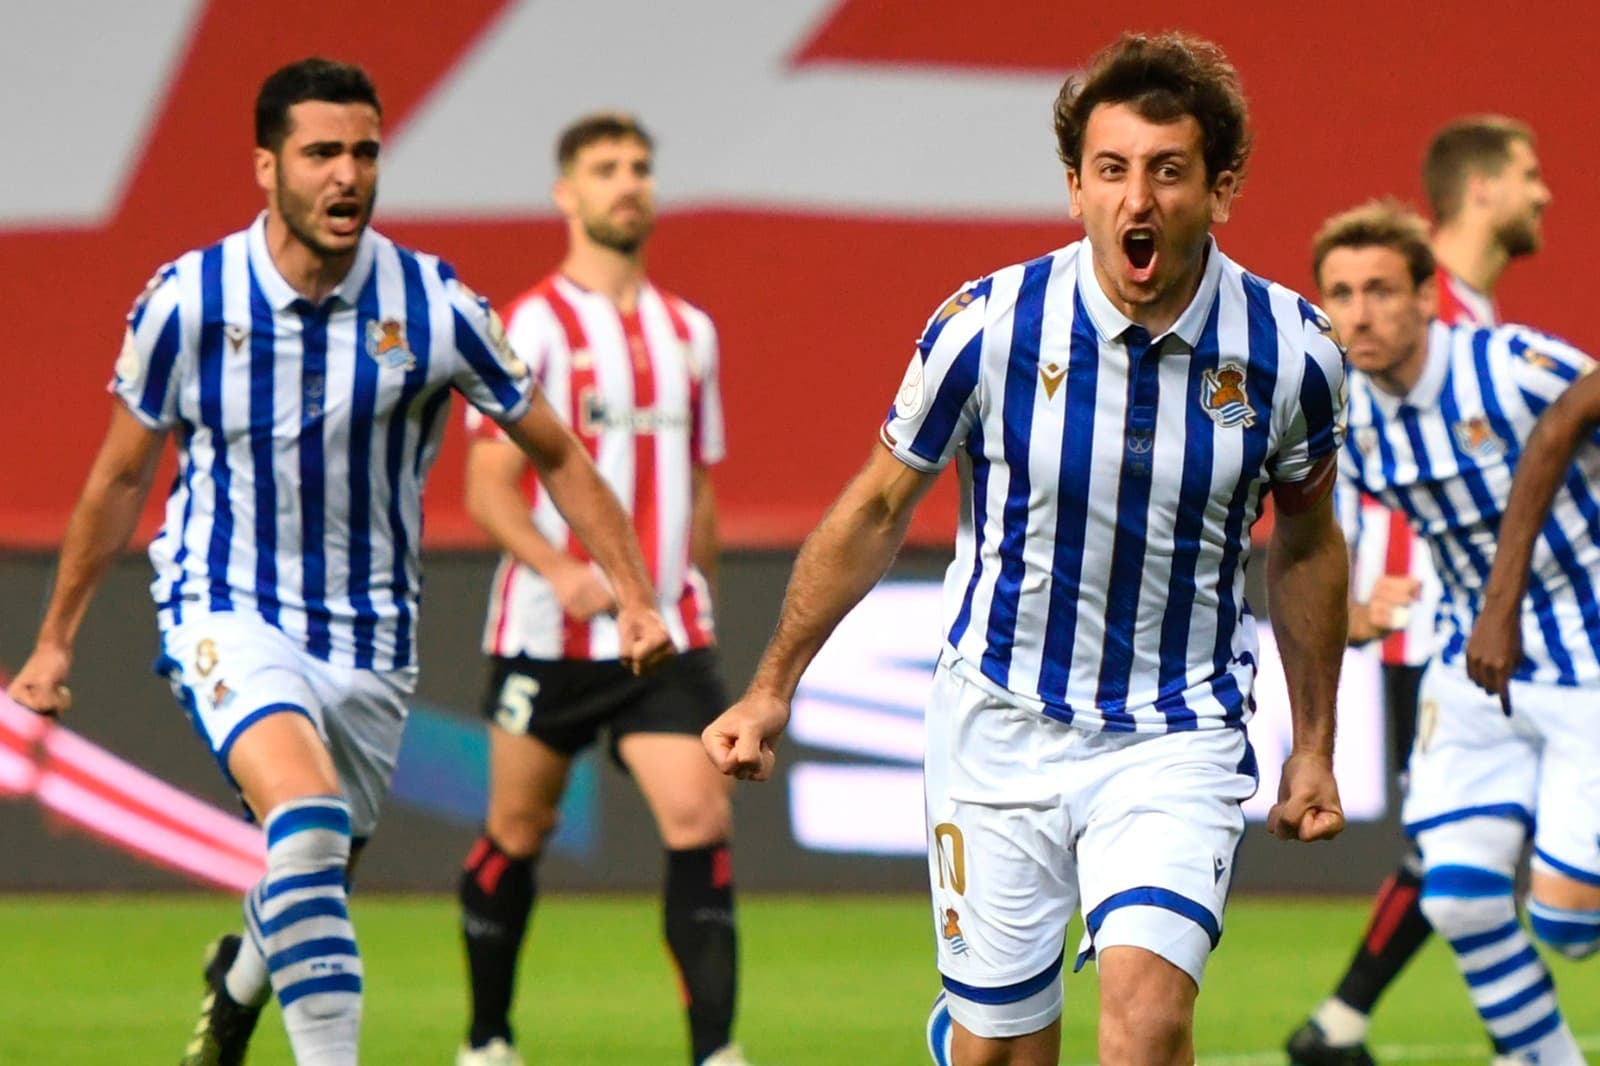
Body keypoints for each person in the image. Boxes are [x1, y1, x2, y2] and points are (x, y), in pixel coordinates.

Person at [3, 59, 673, 1066]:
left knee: (311, 864)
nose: (346, 175)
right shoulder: (190, 300)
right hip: (220, 600)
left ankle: (237, 987)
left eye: (363, 152)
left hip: (370, 633)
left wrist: (632, 593)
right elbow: (117, 480)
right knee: (306, 813)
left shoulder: (435, 304)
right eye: (321, 153)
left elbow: (556, 450)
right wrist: (54, 643)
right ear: (266, 167)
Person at [703, 32, 1348, 1066]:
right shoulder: (988, 326)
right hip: (996, 726)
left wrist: (1311, 742)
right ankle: (976, 1027)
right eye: (1110, 171)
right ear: (1074, 189)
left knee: (1146, 1024)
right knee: (1004, 1049)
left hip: (1174, 731)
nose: (1135, 200)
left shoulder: (1293, 353)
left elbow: (1309, 542)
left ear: (1220, 191)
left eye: (1167, 172)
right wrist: (773, 683)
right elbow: (875, 507)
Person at [452, 113, 748, 1066]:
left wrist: (690, 585)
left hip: (663, 635)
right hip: (549, 631)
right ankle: (487, 1038)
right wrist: (560, 569)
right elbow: (487, 488)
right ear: (565, 195)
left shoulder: (690, 332)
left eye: (639, 168)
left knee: (700, 818)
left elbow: (698, 482)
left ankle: (715, 1052)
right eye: (605, 169)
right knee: (517, 828)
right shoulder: (531, 324)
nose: (628, 183)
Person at [1288, 117, 1554, 1066]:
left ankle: (1342, 1020)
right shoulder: (1417, 315)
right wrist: (1360, 597)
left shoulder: (1465, 318)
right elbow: (1333, 472)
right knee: (1465, 858)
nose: (1543, 193)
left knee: (1462, 860)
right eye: (1528, 175)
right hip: (1447, 631)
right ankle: (1343, 1020)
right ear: (1481, 190)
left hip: (1491, 627)